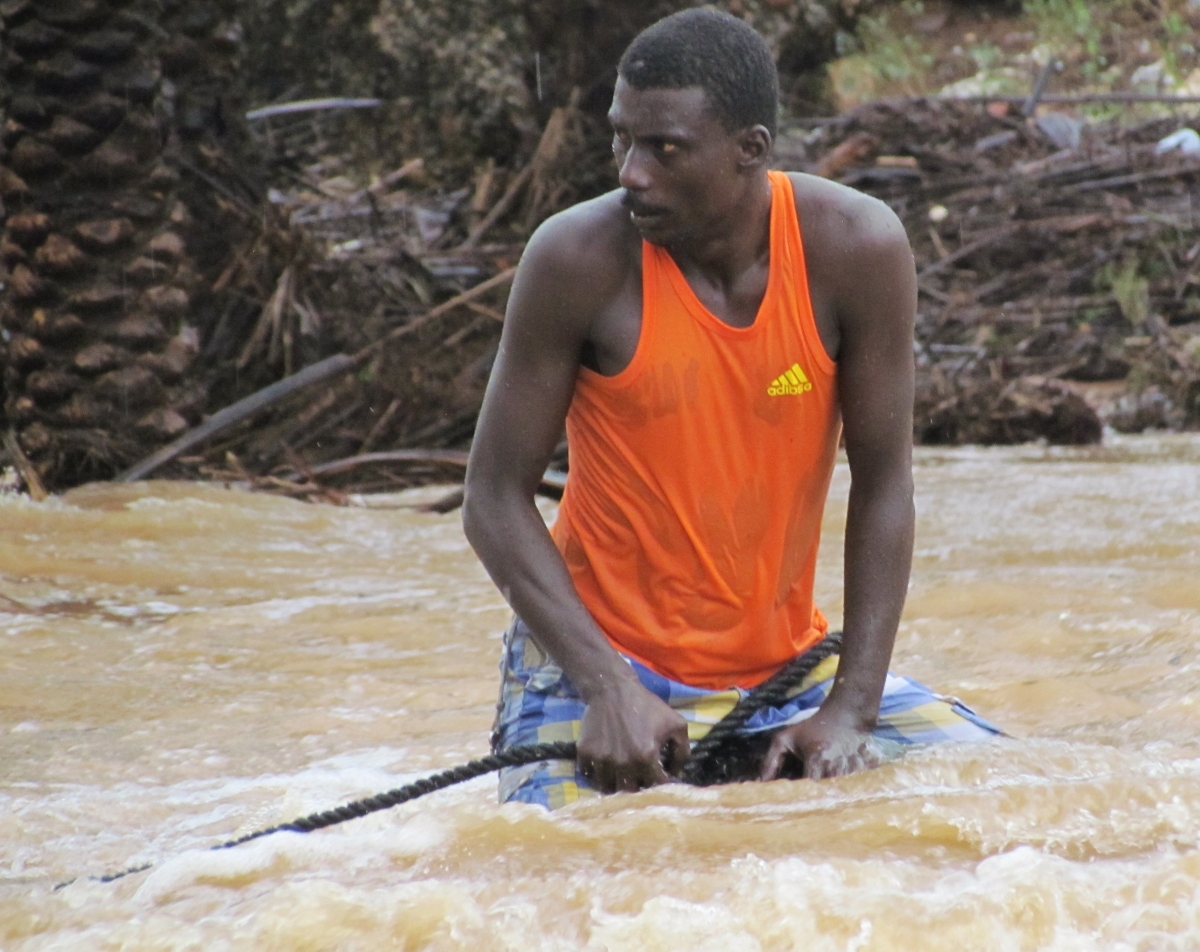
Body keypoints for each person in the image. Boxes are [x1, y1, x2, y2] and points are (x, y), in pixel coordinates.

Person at [463, 8, 1000, 809]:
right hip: (595, 670)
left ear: (750, 148)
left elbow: (885, 484)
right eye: (621, 139)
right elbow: (493, 501)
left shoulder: (856, 248)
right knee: (562, 875)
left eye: (665, 149)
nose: (630, 172)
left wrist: (850, 708)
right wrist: (608, 688)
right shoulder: (577, 261)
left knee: (1008, 793)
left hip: (787, 672)